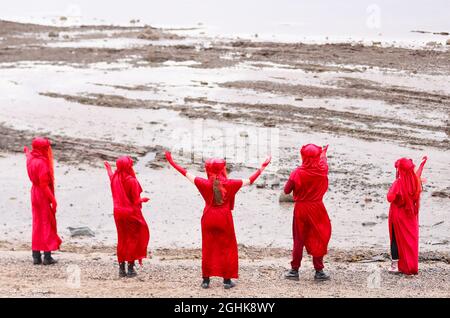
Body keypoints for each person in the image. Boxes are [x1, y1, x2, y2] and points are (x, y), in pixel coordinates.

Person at [165, 152, 271, 289]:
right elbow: (251, 180)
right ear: (223, 169)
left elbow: (185, 173)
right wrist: (263, 166)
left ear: (208, 169)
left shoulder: (203, 183)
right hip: (224, 217)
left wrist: (172, 162)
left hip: (208, 216)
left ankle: (205, 280)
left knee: (208, 248)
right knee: (227, 248)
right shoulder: (231, 183)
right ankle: (227, 281)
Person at [283, 144, 331, 281]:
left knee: (299, 239)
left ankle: (294, 270)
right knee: (319, 237)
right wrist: (323, 153)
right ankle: (319, 271)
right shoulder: (322, 170)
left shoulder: (297, 173)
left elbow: (286, 191)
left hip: (301, 208)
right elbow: (323, 161)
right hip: (317, 208)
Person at [104, 156, 150, 278]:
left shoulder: (115, 178)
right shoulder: (131, 181)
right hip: (130, 213)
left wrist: (108, 168)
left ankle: (121, 269)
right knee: (132, 239)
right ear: (128, 166)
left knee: (122, 238)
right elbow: (135, 200)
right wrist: (143, 199)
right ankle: (130, 268)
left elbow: (110, 176)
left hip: (118, 213)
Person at [24, 137, 62, 265]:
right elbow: (44, 185)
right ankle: (47, 256)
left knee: (37, 222)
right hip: (42, 193)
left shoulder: (31, 159)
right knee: (47, 222)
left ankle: (36, 255)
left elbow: (28, 155)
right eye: (46, 147)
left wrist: (26, 151)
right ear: (42, 149)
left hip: (34, 192)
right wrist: (53, 200)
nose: (48, 150)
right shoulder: (42, 163)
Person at [387, 156, 427, 275]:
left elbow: (390, 198)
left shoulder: (398, 183)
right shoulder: (416, 181)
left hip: (398, 214)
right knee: (410, 240)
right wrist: (422, 164)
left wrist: (391, 190)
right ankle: (411, 265)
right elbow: (418, 175)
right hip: (410, 215)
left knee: (395, 239)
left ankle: (395, 266)